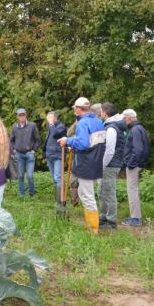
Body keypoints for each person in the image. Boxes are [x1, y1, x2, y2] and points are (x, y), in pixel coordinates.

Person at [57, 97, 106, 234]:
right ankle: (92, 226)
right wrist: (74, 142)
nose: (74, 111)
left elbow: (83, 144)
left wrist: (68, 141)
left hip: (86, 163)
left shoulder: (83, 123)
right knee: (85, 194)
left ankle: (93, 229)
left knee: (87, 195)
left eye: (74, 109)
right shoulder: (98, 121)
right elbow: (93, 143)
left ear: (79, 109)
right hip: (96, 161)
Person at [99, 102, 127, 230]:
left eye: (101, 111)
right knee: (103, 192)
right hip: (110, 164)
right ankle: (103, 218)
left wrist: (102, 165)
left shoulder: (111, 128)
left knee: (109, 193)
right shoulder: (111, 126)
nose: (100, 113)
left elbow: (110, 150)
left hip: (110, 165)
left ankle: (111, 222)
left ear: (104, 112)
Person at [120, 109, 150, 226]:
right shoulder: (139, 128)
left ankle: (136, 218)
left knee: (132, 190)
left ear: (129, 118)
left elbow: (138, 150)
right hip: (138, 163)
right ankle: (135, 217)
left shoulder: (135, 130)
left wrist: (130, 164)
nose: (123, 121)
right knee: (133, 189)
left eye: (124, 119)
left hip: (134, 165)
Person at [10, 108, 41, 197]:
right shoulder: (14, 126)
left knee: (30, 176)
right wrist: (13, 150)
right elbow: (11, 140)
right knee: (20, 176)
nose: (21, 117)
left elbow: (38, 140)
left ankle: (32, 193)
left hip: (29, 154)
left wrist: (33, 150)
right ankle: (22, 194)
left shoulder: (32, 125)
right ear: (17, 116)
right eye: (20, 115)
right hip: (19, 155)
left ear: (26, 115)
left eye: (23, 115)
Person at [43, 111, 67, 207]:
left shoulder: (61, 126)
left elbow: (55, 134)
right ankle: (58, 199)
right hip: (50, 155)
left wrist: (52, 124)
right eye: (47, 117)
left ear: (55, 118)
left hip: (58, 156)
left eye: (50, 117)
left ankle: (60, 202)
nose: (48, 119)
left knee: (58, 178)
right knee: (54, 179)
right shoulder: (50, 126)